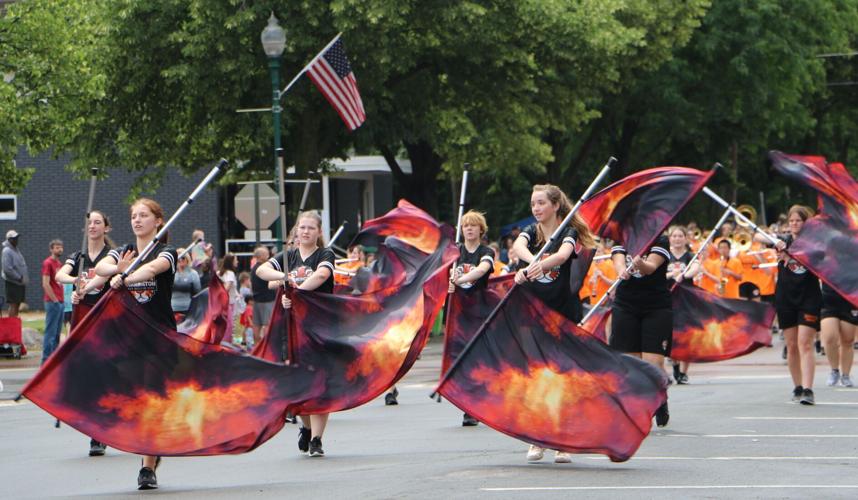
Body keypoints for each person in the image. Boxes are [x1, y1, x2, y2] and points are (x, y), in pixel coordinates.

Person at [95, 198, 176, 489]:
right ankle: (150, 452)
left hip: (160, 338)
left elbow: (151, 271)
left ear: (157, 221)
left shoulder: (168, 252)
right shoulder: (122, 252)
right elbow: (101, 269)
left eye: (144, 215)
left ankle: (147, 467)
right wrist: (110, 273)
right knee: (136, 402)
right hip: (129, 338)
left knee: (152, 401)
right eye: (134, 216)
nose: (138, 220)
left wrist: (125, 276)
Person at [512, 184, 596, 464]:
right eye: (533, 203)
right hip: (534, 313)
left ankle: (563, 441)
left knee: (561, 376)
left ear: (555, 206)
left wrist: (542, 265)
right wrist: (530, 264)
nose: (536, 208)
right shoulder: (531, 234)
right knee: (536, 375)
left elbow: (562, 255)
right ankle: (538, 439)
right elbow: (518, 246)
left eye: (541, 203)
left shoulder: (567, 233)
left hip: (563, 313)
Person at [255, 210, 335, 458]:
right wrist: (284, 278)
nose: (306, 231)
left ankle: (318, 439)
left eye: (311, 228)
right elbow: (262, 271)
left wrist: (297, 289)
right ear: (296, 231)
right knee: (299, 383)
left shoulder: (325, 254)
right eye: (302, 227)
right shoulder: (288, 257)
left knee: (320, 383)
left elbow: (322, 275)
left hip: (320, 329)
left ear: (319, 232)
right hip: (292, 330)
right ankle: (307, 428)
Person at [55, 210, 114, 457]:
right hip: (82, 318)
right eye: (90, 223)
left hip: (104, 319)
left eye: (97, 222)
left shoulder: (111, 254)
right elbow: (59, 276)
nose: (92, 226)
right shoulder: (77, 256)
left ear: (106, 228)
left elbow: (107, 272)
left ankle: (99, 432)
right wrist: (75, 280)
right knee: (85, 374)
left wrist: (89, 282)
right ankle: (94, 427)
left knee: (102, 374)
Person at [610, 230, 672, 428]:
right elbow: (618, 260)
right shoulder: (622, 238)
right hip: (626, 305)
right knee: (631, 364)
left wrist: (639, 263)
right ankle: (638, 409)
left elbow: (650, 267)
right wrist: (622, 269)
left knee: (653, 363)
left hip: (656, 306)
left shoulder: (660, 239)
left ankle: (660, 398)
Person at [760, 205, 821, 405]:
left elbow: (818, 261)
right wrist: (775, 242)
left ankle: (809, 389)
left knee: (805, 342)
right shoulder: (783, 242)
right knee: (792, 345)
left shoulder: (814, 243)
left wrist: (791, 255)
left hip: (809, 297)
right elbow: (758, 238)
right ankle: (797, 386)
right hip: (786, 297)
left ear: (806, 223)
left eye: (798, 221)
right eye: (792, 221)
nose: (794, 224)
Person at [449, 210, 495, 426]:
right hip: (458, 312)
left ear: (480, 229)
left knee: (476, 358)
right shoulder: (455, 253)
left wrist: (461, 279)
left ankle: (476, 405)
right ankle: (468, 406)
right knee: (461, 359)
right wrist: (448, 280)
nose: (468, 228)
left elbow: (482, 270)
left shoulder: (487, 251)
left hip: (479, 311)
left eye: (473, 225)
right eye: (465, 225)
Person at [665, 225, 700, 384]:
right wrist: (672, 274)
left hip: (686, 300)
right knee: (670, 334)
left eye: (680, 236)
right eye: (674, 236)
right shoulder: (665, 256)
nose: (677, 239)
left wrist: (684, 274)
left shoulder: (690, 256)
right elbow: (657, 272)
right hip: (668, 298)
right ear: (669, 238)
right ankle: (675, 364)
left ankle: (684, 372)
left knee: (687, 335)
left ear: (685, 238)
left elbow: (696, 268)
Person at [820, 283, 857, 387]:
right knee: (830, 337)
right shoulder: (826, 265)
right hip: (828, 299)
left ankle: (846, 375)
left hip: (849, 298)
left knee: (848, 340)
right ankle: (834, 370)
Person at [41, 240, 65, 363]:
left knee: (57, 334)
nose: (59, 249)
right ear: (51, 249)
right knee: (50, 333)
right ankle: (45, 362)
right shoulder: (48, 263)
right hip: (52, 302)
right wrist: (55, 300)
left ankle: (54, 361)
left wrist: (61, 301)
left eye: (61, 247)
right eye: (56, 247)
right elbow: (45, 284)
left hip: (61, 302)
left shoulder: (59, 264)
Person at [250, 246, 275, 346]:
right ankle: (266, 347)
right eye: (266, 254)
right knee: (267, 325)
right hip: (267, 300)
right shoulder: (264, 269)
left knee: (256, 325)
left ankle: (256, 346)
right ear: (261, 256)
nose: (268, 255)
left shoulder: (253, 269)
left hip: (257, 300)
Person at [2, 230, 28, 317]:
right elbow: (7, 269)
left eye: (17, 238)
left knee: (17, 304)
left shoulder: (15, 250)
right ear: (9, 240)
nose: (16, 240)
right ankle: (11, 324)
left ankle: (14, 324)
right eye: (14, 238)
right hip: (12, 282)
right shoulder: (7, 251)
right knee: (13, 304)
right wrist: (19, 277)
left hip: (19, 282)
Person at [170, 249, 200, 323]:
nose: (180, 260)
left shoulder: (193, 274)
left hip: (188, 308)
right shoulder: (170, 273)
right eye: (178, 257)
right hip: (173, 308)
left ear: (187, 259)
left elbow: (197, 291)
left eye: (183, 257)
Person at [218, 254, 240, 343]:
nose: (237, 262)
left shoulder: (219, 273)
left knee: (223, 326)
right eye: (235, 260)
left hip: (221, 304)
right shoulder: (230, 274)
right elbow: (226, 288)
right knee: (229, 327)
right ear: (231, 262)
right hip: (228, 304)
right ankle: (226, 346)